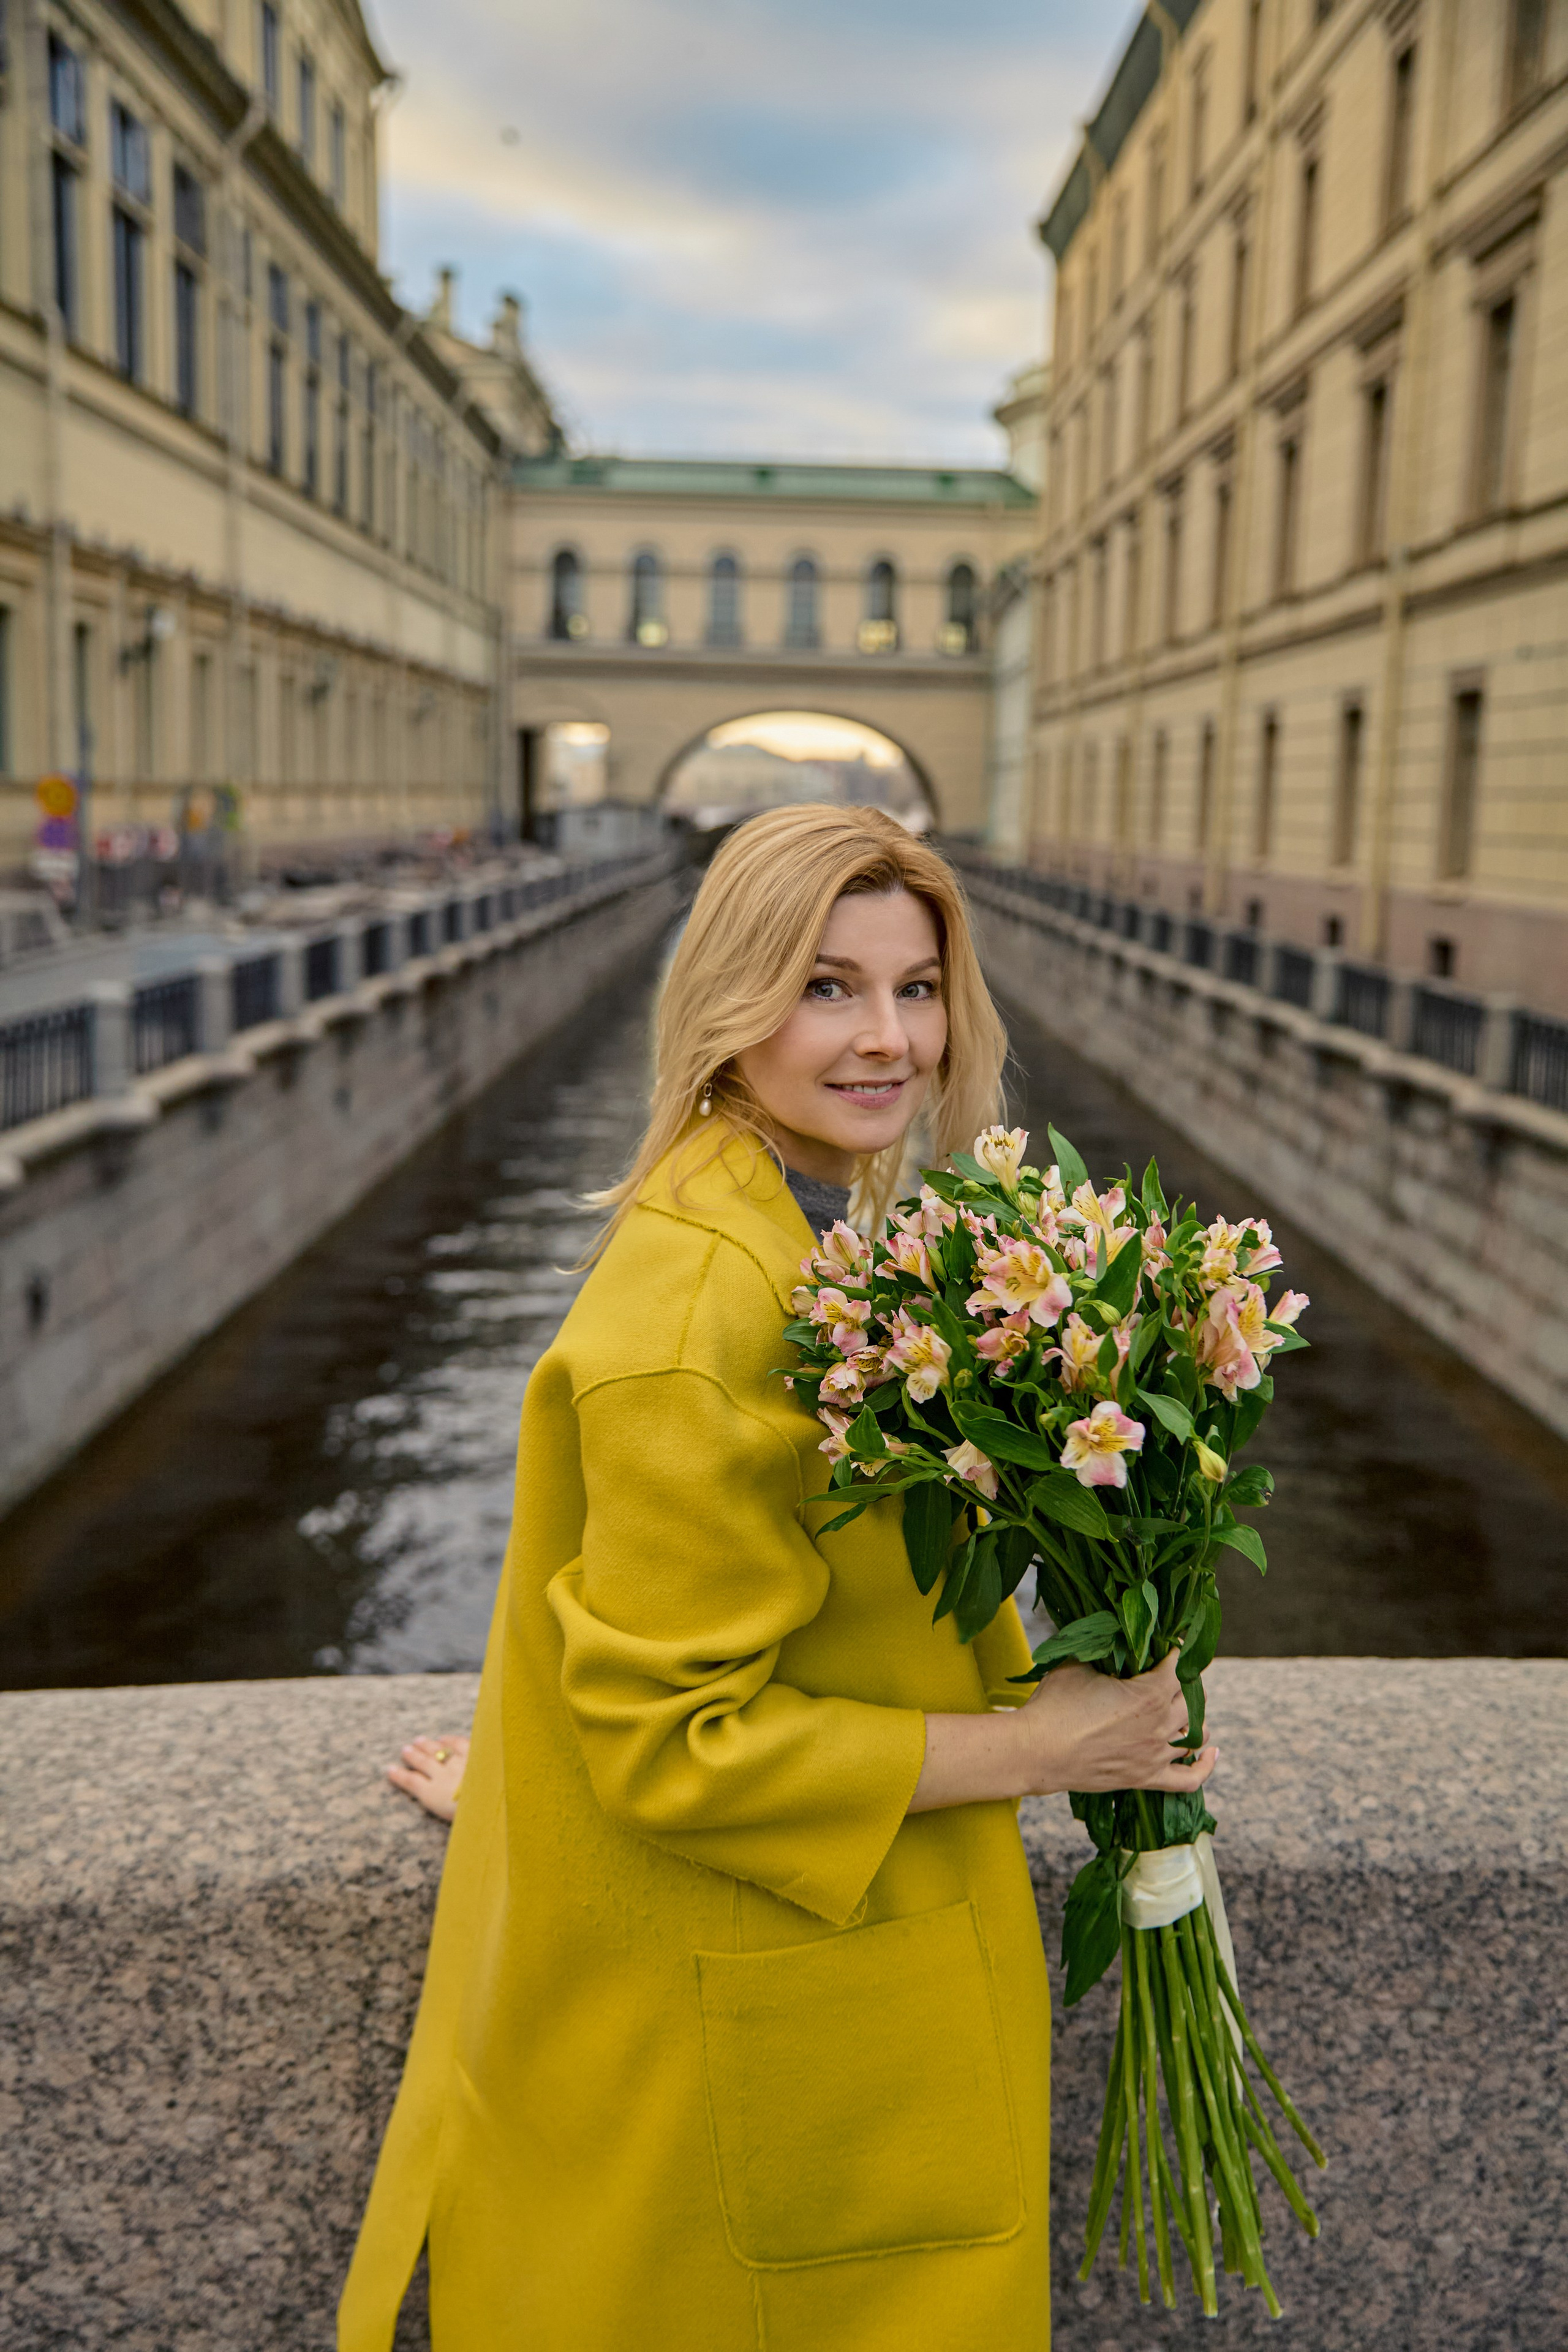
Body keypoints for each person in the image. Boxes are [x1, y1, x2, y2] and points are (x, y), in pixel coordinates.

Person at [342, 805, 1215, 2352]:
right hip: (795, 2066)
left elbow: (641, 1626)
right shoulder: (699, 1318)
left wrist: (539, 1774)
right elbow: (679, 1738)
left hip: (822, 2005)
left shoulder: (797, 1225)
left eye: (916, 986)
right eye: (825, 988)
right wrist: (1051, 1746)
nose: (888, 1037)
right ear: (727, 1003)